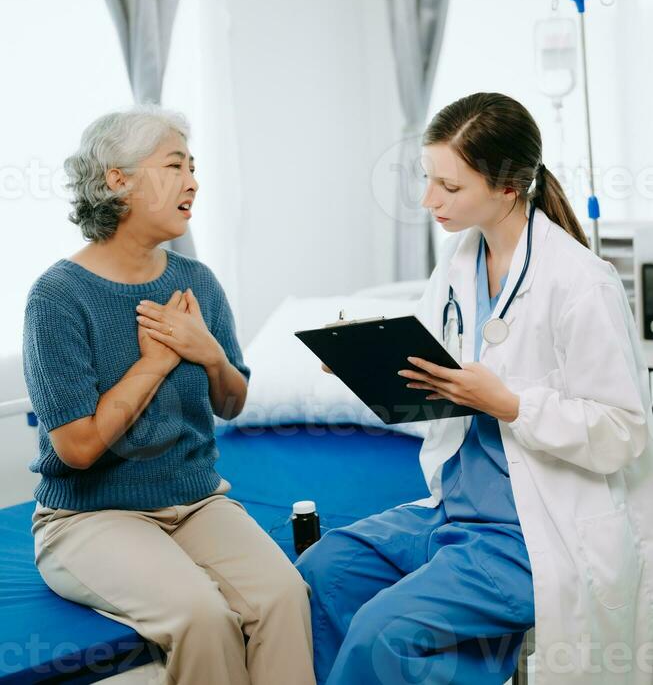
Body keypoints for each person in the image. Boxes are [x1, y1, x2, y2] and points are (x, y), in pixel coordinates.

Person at [297, 91, 653, 685]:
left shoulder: (580, 283)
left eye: (450, 187)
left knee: (383, 631)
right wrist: (364, 359)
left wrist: (509, 404)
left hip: (534, 530)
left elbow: (624, 432)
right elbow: (431, 372)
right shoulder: (459, 265)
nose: (428, 200)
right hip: (456, 509)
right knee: (323, 569)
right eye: (427, 179)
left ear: (507, 187)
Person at [23, 103, 316, 685]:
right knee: (201, 616)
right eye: (175, 165)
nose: (193, 181)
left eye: (193, 166)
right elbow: (77, 449)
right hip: (89, 518)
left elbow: (231, 402)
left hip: (197, 502)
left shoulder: (196, 281)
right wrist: (155, 364)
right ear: (118, 179)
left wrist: (208, 353)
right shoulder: (57, 297)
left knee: (286, 594)